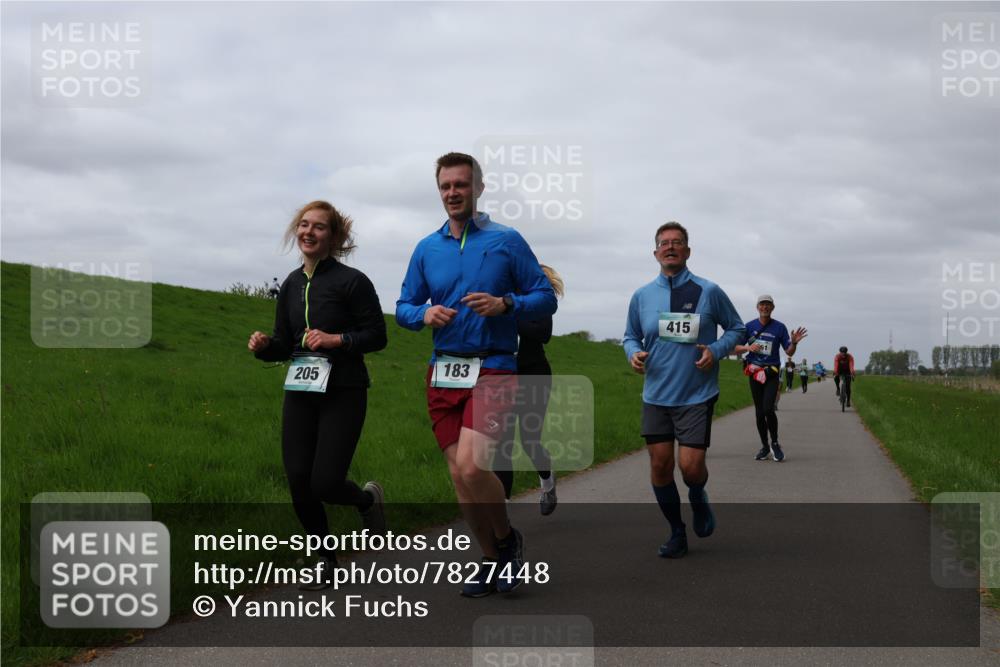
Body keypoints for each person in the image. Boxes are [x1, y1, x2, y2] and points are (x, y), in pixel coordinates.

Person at [395, 152, 557, 596]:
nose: (453, 193)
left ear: (478, 188)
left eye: (461, 185)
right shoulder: (426, 248)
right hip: (443, 370)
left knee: (473, 464)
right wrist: (424, 314)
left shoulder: (507, 240)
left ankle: (508, 540)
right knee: (459, 476)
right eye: (446, 186)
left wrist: (508, 304)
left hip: (495, 366)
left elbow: (545, 297)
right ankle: (490, 559)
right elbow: (403, 308)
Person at [248, 200, 388, 590]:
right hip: (301, 390)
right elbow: (284, 344)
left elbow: (377, 336)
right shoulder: (291, 284)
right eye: (304, 225)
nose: (309, 232)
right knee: (298, 478)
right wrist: (264, 347)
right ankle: (325, 559)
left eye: (319, 227)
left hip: (344, 390)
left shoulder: (352, 282)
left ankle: (366, 501)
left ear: (334, 237)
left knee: (325, 482)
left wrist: (336, 339)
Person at [623, 221, 745, 559]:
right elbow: (630, 335)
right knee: (660, 467)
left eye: (677, 242)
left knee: (690, 468)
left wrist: (716, 350)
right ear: (655, 252)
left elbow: (736, 329)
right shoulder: (642, 296)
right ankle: (677, 531)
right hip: (656, 394)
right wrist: (633, 353)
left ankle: (698, 494)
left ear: (688, 251)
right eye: (664, 243)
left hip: (696, 393)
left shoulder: (709, 291)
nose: (671, 247)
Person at [493, 265, 564, 516]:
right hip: (501, 375)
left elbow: (542, 334)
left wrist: (510, 314)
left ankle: (547, 481)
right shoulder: (498, 296)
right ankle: (503, 510)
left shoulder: (539, 300)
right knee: (502, 443)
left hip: (534, 373)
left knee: (529, 438)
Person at [733, 295, 806, 462]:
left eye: (768, 305)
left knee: (768, 409)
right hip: (754, 373)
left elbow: (789, 352)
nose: (765, 307)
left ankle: (775, 443)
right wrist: (747, 347)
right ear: (757, 307)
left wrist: (794, 343)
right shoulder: (749, 326)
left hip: (771, 373)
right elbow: (735, 348)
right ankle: (764, 446)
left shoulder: (779, 327)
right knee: (759, 413)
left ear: (772, 308)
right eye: (762, 304)